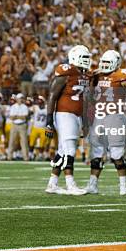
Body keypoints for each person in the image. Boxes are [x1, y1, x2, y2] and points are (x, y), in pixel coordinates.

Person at [86, 50, 126, 196]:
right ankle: (93, 184)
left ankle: (123, 185)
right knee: (97, 152)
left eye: (108, 63)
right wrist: (93, 101)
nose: (105, 65)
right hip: (100, 115)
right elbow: (91, 94)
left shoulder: (122, 75)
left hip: (115, 116)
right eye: (103, 62)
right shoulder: (97, 74)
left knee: (116, 153)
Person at [44, 45, 92, 196]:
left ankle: (52, 184)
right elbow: (52, 96)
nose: (87, 61)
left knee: (63, 150)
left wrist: (85, 122)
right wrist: (49, 121)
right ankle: (70, 184)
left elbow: (84, 101)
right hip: (64, 114)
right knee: (70, 150)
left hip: (76, 115)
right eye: (84, 58)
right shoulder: (66, 71)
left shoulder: (84, 75)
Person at [7, 94, 30, 161]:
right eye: (20, 98)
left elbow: (24, 117)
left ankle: (26, 157)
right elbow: (11, 117)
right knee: (11, 141)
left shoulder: (25, 107)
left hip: (22, 125)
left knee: (24, 142)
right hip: (14, 125)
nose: (21, 99)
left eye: (22, 98)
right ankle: (9, 157)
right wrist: (19, 116)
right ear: (17, 99)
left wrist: (16, 116)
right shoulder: (13, 106)